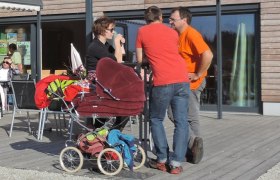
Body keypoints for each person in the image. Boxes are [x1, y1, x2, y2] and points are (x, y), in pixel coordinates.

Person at [136, 6, 190, 174]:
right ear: (160, 17)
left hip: (163, 81)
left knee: (156, 119)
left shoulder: (142, 32)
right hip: (182, 78)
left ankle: (162, 159)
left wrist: (148, 59)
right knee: (181, 121)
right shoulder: (173, 32)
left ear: (146, 19)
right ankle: (175, 163)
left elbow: (139, 60)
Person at [169, 7, 213, 164]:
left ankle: (194, 146)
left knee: (187, 117)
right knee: (178, 115)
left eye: (173, 19)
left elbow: (208, 54)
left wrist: (197, 74)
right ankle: (194, 147)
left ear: (184, 20)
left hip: (193, 83)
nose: (170, 21)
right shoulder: (178, 35)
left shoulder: (192, 34)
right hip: (182, 82)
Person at [85, 16, 128, 131]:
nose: (113, 32)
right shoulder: (95, 47)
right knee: (124, 109)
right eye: (111, 30)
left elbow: (120, 55)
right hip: (98, 86)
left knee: (125, 110)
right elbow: (118, 61)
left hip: (105, 85)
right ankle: (107, 134)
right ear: (102, 30)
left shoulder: (104, 46)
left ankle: (107, 134)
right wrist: (116, 42)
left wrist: (120, 44)